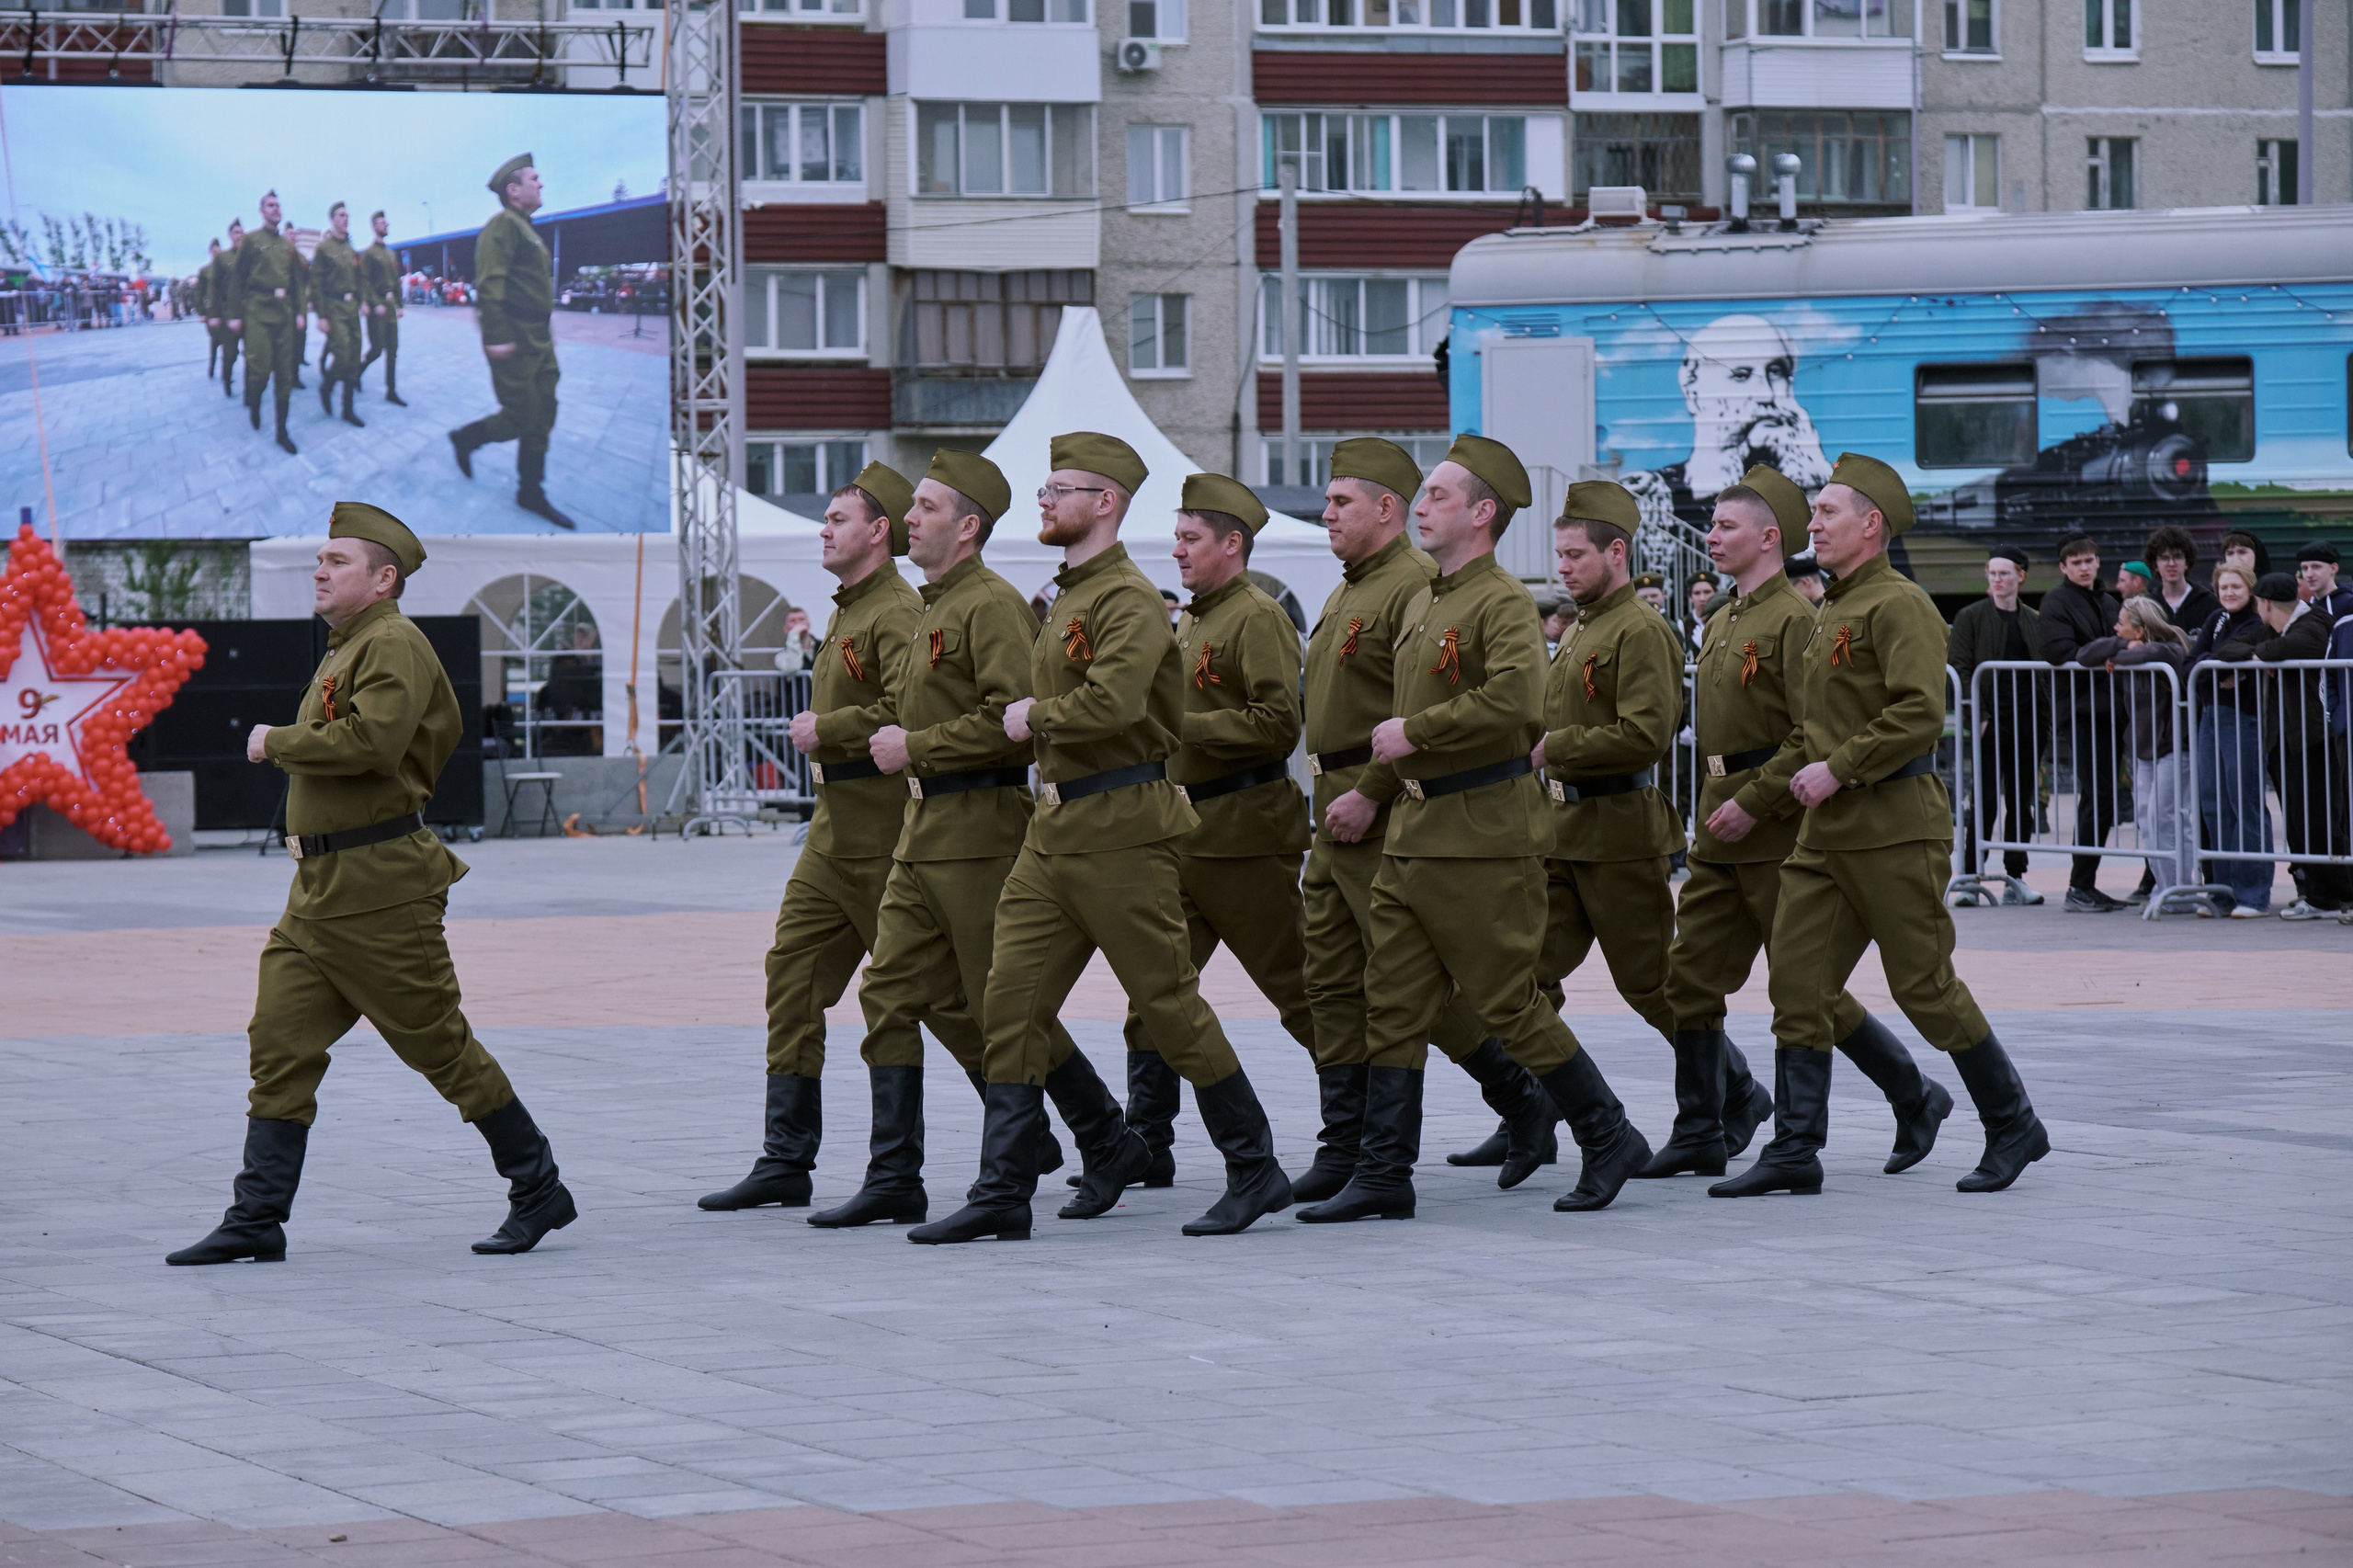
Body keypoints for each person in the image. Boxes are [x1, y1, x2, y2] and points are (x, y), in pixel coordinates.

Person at [168, 504, 576, 1265]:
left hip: (381, 888)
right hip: (318, 889)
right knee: (279, 1043)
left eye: (337, 561)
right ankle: (257, 1215)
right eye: (319, 561)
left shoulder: (393, 643)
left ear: (384, 579)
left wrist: (274, 742)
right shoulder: (347, 647)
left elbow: (373, 743)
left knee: (440, 1047)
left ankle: (538, 1185)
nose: (320, 572)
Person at [913, 432, 1290, 1244]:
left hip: (1121, 831)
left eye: (1060, 490)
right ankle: (1005, 1188)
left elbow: (1116, 704)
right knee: (1006, 1003)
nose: (1044, 502)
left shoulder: (1124, 599)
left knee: (1168, 1004)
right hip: (1054, 833)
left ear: (1105, 503)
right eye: (1046, 491)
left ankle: (1254, 1166)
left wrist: (1034, 717)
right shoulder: (1073, 594)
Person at [1307, 436, 1651, 1223]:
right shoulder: (1429, 598)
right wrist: (1378, 781)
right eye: (1422, 497)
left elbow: (1517, 704)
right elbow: (1394, 733)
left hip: (1483, 832)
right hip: (1414, 832)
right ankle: (1385, 1172)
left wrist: (1417, 733)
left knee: (1506, 1000)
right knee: (1392, 1002)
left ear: (1482, 513)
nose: (1421, 508)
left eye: (1437, 497)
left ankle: (1608, 1132)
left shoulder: (1499, 600)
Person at [814, 451, 1131, 1228]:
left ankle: (1102, 1135)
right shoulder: (931, 604)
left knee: (1005, 1009)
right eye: (910, 506)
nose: (909, 518)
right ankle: (895, 1175)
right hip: (922, 832)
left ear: (966, 526)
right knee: (887, 992)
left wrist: (914, 748)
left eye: (924, 508)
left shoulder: (988, 605)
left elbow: (1014, 723)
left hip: (981, 831)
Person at [1728, 453, 2049, 1198]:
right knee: (1799, 986)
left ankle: (2013, 1123)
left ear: (1871, 524)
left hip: (1896, 826)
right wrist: (1765, 795)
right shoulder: (1833, 606)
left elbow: (1917, 712)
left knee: (1923, 986)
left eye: (1828, 513)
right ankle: (1796, 1149)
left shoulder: (1897, 603)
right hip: (1826, 833)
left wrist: (1840, 767)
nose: (1814, 524)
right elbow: (1813, 729)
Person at [700, 464, 986, 1211]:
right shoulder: (848, 607)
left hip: (886, 830)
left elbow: (902, 708)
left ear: (879, 531)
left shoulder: (895, 609)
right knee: (791, 975)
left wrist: (826, 729)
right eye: (824, 519)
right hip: (833, 834)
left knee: (943, 1000)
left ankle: (1076, 1127)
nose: (823, 530)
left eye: (837, 520)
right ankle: (786, 1156)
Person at [1655, 465, 1950, 1187]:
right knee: (1689, 976)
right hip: (1719, 822)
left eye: (1726, 527)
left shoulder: (1794, 616)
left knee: (1809, 990)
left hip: (1775, 825)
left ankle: (1912, 1095)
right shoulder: (1722, 618)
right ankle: (1700, 1127)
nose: (1712, 538)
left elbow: (1808, 733)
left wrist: (1757, 801)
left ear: (1768, 537)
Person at [1063, 472, 1321, 1197]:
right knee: (1156, 994)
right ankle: (1151, 1142)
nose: (1176, 551)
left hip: (1244, 834)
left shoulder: (1256, 616)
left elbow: (1278, 723)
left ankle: (1357, 1132)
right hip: (1185, 835)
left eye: (1189, 539)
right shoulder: (1194, 619)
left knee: (1298, 990)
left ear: (1231, 545)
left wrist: (1179, 726)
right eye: (1175, 538)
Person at [450, 153, 573, 529]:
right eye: (535, 178)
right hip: (515, 338)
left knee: (544, 414)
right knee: (520, 415)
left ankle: (530, 492)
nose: (542, 184)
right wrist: (497, 336)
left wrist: (546, 325)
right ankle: (466, 438)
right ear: (514, 190)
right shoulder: (502, 226)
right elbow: (490, 284)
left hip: (538, 337)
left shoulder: (528, 229)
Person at [2222, 572, 2353, 920]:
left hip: (2316, 736)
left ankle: (2345, 895)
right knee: (2297, 821)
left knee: (2324, 819)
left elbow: (2285, 648)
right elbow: (2229, 647)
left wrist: (2261, 657)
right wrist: (2259, 657)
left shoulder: (2314, 623)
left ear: (2263, 604)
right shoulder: (2271, 629)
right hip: (2284, 739)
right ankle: (2318, 897)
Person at [2076, 598, 2195, 897]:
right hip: (2143, 747)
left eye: (2122, 624)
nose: (2116, 627)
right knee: (2146, 818)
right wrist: (2120, 643)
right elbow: (2085, 656)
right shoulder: (2127, 644)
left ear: (2141, 630)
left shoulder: (2171, 645)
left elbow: (2159, 651)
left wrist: (2123, 656)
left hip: (2172, 745)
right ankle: (2166, 888)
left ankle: (2179, 888)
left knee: (2164, 816)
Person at [2038, 534, 2128, 913]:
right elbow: (2058, 652)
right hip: (2082, 711)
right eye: (2077, 562)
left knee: (2102, 797)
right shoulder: (2056, 601)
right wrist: (2109, 650)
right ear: (2064, 567)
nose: (2085, 567)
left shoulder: (2108, 601)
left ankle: (2085, 883)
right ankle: (2080, 886)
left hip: (2113, 711)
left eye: (2090, 560)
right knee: (2099, 795)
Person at [1946, 547, 2041, 895]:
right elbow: (1959, 666)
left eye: (2005, 573)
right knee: (1984, 801)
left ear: (2021, 577)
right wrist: (1979, 716)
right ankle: (1971, 877)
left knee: (2021, 801)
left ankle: (2015, 877)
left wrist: (2044, 719)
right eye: (1993, 573)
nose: (1998, 580)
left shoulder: (2033, 618)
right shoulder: (1971, 616)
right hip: (1990, 722)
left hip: (2027, 722)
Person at [2190, 564, 2273, 916]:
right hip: (2211, 714)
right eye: (2223, 587)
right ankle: (2222, 892)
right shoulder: (2216, 620)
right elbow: (2191, 664)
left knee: (2245, 803)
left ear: (2250, 589)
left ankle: (2252, 894)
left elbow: (2222, 660)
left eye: (2236, 586)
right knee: (2212, 802)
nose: (2229, 593)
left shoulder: (2257, 623)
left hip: (2244, 717)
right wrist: (2215, 670)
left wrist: (2212, 667)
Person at [226, 190, 307, 456]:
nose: (276, 209)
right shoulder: (250, 240)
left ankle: (282, 431)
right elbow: (237, 279)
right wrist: (235, 315)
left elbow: (297, 282)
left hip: (283, 314)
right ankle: (256, 401)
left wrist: (300, 313)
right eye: (270, 205)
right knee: (259, 369)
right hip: (257, 312)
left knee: (284, 373)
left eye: (278, 205)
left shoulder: (288, 246)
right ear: (262, 211)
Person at [310, 202, 367, 429]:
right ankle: (327, 386)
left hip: (352, 308)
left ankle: (348, 409)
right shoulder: (324, 248)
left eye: (347, 215)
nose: (346, 219)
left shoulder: (351, 250)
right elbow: (316, 283)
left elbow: (360, 278)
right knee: (342, 355)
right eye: (341, 215)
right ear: (332, 219)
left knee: (354, 356)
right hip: (333, 307)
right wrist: (322, 316)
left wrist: (361, 301)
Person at [358, 210, 407, 406]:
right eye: (382, 223)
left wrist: (400, 304)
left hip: (390, 307)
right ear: (374, 226)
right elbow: (364, 282)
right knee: (377, 350)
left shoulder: (390, 253)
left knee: (393, 350)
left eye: (387, 223)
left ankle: (391, 391)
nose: (386, 226)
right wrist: (373, 303)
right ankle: (357, 372)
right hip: (376, 307)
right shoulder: (369, 254)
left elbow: (395, 281)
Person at [2145, 526, 2219, 631]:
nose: (2171, 564)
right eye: (2164, 558)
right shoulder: (2148, 605)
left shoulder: (2210, 603)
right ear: (2155, 565)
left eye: (2177, 556)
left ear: (2187, 562)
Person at [205, 220, 244, 398]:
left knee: (253, 353)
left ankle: (251, 391)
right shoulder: (223, 258)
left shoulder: (249, 257)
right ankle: (227, 379)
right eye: (236, 233)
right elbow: (214, 289)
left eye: (241, 233)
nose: (239, 236)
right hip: (228, 313)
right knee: (231, 352)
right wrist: (214, 315)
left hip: (249, 313)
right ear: (230, 235)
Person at [775, 607, 818, 673]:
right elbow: (794, 667)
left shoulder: (825, 646)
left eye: (802, 619)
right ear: (785, 629)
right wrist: (794, 634)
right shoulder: (781, 657)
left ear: (808, 624)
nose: (798, 623)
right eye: (792, 621)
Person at [1686, 570, 1718, 644]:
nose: (1702, 598)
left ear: (1716, 593)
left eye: (1707, 592)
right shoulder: (1683, 625)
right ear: (1690, 597)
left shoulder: (1723, 620)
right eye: (1697, 593)